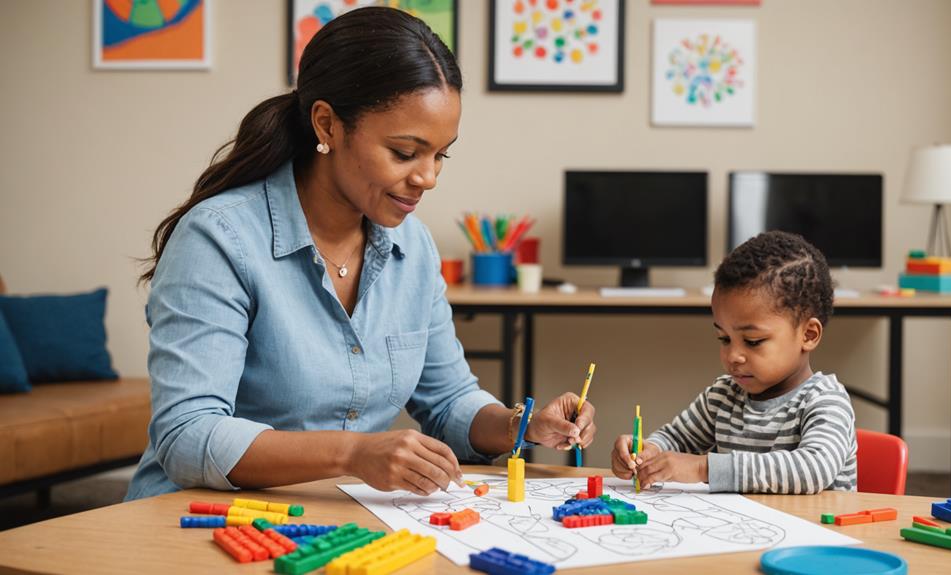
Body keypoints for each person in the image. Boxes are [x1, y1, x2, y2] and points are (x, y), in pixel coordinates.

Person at [126, 7, 596, 500]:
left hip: (335, 517)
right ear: (327, 125)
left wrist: (520, 425)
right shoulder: (219, 238)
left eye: (441, 155)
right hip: (199, 519)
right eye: (404, 152)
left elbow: (449, 399)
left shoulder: (412, 247)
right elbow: (187, 435)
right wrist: (355, 453)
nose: (428, 178)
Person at [611, 231, 856, 493]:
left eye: (752, 341)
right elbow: (676, 439)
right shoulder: (723, 396)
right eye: (724, 338)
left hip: (817, 533)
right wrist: (647, 452)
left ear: (808, 335)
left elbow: (812, 470)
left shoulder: (825, 400)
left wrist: (702, 468)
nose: (732, 356)